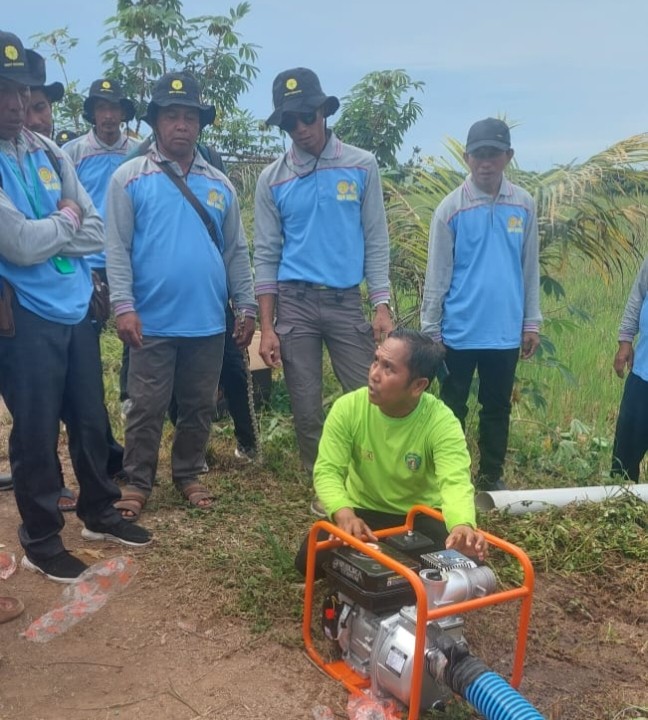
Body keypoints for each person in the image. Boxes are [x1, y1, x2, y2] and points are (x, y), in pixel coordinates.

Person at [0, 30, 151, 584]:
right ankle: (41, 539)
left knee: (91, 419)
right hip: (22, 317)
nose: (16, 105)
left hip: (74, 305)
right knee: (36, 432)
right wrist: (62, 220)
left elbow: (95, 230)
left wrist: (56, 229)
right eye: (4, 92)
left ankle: (99, 511)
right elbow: (15, 243)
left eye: (23, 92)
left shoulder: (48, 151)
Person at [105, 71, 256, 521]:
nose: (182, 125)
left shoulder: (220, 185)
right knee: (147, 405)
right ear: (156, 122)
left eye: (189, 116)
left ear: (200, 124)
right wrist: (123, 306)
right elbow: (117, 248)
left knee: (199, 405)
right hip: (150, 321)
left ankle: (189, 473)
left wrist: (245, 306)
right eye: (172, 116)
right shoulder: (129, 179)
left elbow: (236, 251)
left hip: (207, 320)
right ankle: (137, 481)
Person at [254, 67, 393, 515]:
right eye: (290, 122)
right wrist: (266, 327)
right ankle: (326, 484)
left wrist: (382, 302)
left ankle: (373, 476)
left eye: (307, 117)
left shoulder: (360, 164)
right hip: (294, 304)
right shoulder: (272, 179)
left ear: (323, 113)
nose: (301, 129)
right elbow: (267, 255)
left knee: (366, 392)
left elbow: (375, 237)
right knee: (306, 403)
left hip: (344, 299)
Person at [295, 328, 486, 576]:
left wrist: (461, 524)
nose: (374, 374)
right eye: (376, 361)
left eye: (389, 368)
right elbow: (328, 470)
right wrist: (344, 514)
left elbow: (455, 481)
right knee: (307, 561)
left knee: (468, 562)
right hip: (362, 511)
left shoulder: (441, 421)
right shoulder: (348, 408)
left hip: (418, 517)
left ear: (418, 385)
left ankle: (389, 562)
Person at [421, 118, 541, 492]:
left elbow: (529, 268)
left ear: (508, 156)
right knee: (451, 408)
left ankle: (491, 476)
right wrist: (431, 331)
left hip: (504, 332)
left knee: (497, 408)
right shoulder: (450, 209)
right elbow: (437, 274)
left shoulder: (523, 205)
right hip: (458, 331)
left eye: (493, 154)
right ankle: (449, 478)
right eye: (478, 155)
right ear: (466, 157)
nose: (485, 162)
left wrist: (531, 322)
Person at [611, 255, 648, 482]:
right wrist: (625, 340)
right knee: (623, 461)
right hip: (643, 372)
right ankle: (622, 506)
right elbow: (638, 293)